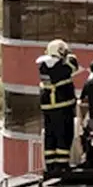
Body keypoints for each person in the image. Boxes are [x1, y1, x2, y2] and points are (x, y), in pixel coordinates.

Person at [37, 39, 80, 177]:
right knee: (64, 134)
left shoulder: (43, 65)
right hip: (63, 105)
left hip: (47, 106)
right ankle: (62, 165)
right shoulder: (64, 66)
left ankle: (51, 165)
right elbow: (73, 65)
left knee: (51, 135)